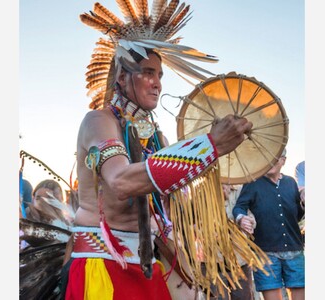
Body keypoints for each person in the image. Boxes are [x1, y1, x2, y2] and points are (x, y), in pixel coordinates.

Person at [60, 1, 268, 299]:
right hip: (102, 267)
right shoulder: (98, 121)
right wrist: (209, 146)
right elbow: (121, 182)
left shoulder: (155, 136)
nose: (157, 83)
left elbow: (167, 209)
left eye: (159, 75)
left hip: (148, 266)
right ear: (121, 77)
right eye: (147, 72)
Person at [233, 149, 305, 300]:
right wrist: (241, 218)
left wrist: (304, 205)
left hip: (294, 251)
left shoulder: (291, 183)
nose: (270, 161)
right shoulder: (252, 183)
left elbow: (297, 215)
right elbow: (239, 206)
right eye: (266, 158)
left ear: (283, 161)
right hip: (265, 254)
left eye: (275, 157)